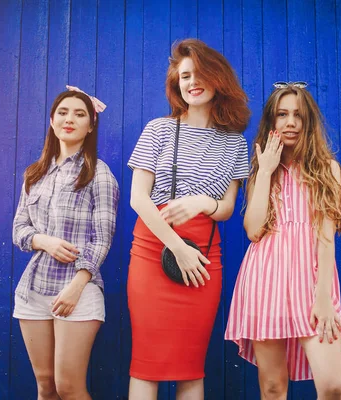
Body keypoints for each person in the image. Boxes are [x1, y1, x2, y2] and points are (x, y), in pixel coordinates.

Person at [126, 39, 250, 399]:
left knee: (191, 366)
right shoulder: (158, 129)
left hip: (205, 256)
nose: (191, 82)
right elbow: (138, 198)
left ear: (218, 79)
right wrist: (176, 245)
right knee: (146, 364)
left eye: (199, 73)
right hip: (155, 248)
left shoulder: (235, 142)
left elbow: (226, 208)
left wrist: (201, 203)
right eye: (184, 76)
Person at [225, 82, 341, 400]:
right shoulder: (261, 171)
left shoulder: (328, 169)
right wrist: (265, 171)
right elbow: (253, 231)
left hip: (312, 282)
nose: (290, 122)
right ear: (272, 122)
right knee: (273, 387)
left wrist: (323, 298)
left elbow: (325, 238)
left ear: (309, 122)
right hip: (266, 280)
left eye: (298, 115)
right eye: (282, 115)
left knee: (333, 387)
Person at [12, 86, 119, 400]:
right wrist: (43, 240)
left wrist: (76, 287)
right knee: (45, 387)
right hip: (33, 292)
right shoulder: (35, 174)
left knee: (69, 388)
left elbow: (102, 239)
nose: (69, 119)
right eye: (63, 112)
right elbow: (19, 229)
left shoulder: (98, 174)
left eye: (79, 113)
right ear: (52, 120)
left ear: (91, 125)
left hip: (77, 293)